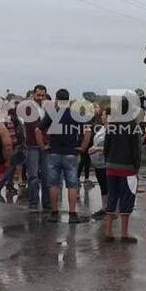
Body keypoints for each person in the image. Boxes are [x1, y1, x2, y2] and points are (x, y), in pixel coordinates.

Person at [36, 88, 91, 224]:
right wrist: (83, 147)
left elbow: (38, 129)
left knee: (54, 184)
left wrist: (43, 146)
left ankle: (54, 213)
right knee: (72, 184)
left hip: (54, 152)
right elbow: (88, 131)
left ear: (56, 99)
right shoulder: (75, 114)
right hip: (71, 153)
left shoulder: (52, 114)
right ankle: (72, 214)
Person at [103, 98, 141, 242]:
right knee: (126, 199)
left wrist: (108, 162)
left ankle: (108, 232)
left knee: (112, 197)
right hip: (127, 169)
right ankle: (124, 234)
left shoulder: (111, 125)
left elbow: (106, 147)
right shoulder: (133, 126)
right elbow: (136, 150)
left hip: (111, 167)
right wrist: (136, 167)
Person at [23, 84, 51, 213]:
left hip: (44, 144)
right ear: (33, 94)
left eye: (42, 95)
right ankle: (33, 202)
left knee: (46, 175)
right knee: (33, 175)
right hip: (33, 144)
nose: (40, 97)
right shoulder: (28, 107)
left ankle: (46, 202)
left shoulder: (46, 107)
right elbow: (34, 127)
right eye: (38, 95)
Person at [0, 101, 26, 203]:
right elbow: (12, 135)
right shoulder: (12, 119)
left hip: (13, 146)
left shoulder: (6, 119)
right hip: (14, 146)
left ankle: (9, 185)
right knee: (10, 168)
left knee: (11, 168)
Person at [88, 107, 109, 220]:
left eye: (104, 115)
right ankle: (105, 207)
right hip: (98, 163)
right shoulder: (102, 128)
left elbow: (110, 148)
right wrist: (93, 148)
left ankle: (110, 209)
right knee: (103, 186)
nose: (102, 117)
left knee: (108, 185)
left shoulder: (112, 130)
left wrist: (98, 149)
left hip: (106, 163)